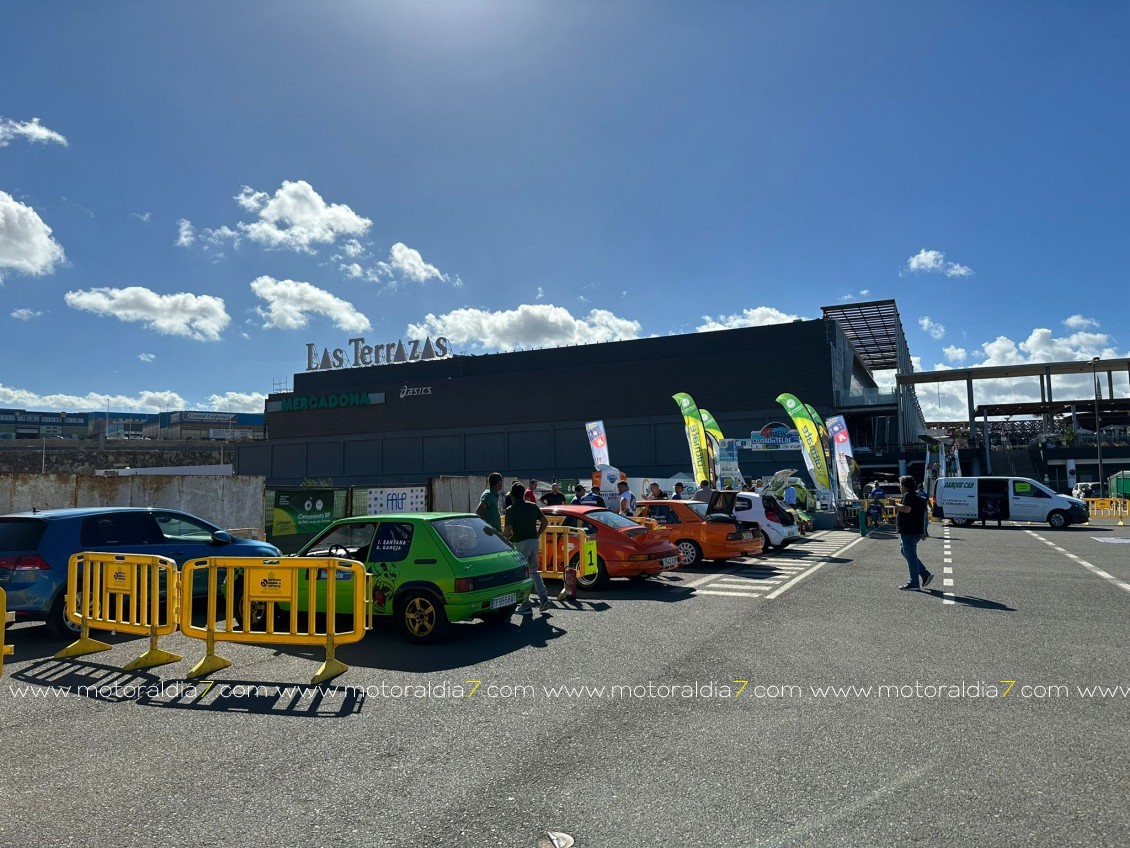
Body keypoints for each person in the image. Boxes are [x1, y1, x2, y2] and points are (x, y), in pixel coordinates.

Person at [504, 483, 551, 614]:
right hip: (533, 541)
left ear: (512, 495)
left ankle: (525, 603)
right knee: (534, 571)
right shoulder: (532, 506)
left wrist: (502, 541)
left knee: (522, 574)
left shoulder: (510, 509)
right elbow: (545, 522)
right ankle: (544, 598)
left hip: (519, 542)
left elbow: (507, 531)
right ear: (524, 494)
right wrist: (537, 534)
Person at [894, 475, 933, 591]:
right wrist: (924, 529)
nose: (900, 488)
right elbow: (924, 515)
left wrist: (894, 504)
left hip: (908, 531)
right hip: (917, 530)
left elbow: (907, 509)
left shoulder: (908, 496)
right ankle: (925, 574)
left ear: (905, 486)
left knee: (910, 556)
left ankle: (914, 583)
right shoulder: (919, 497)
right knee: (905, 552)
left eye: (901, 485)